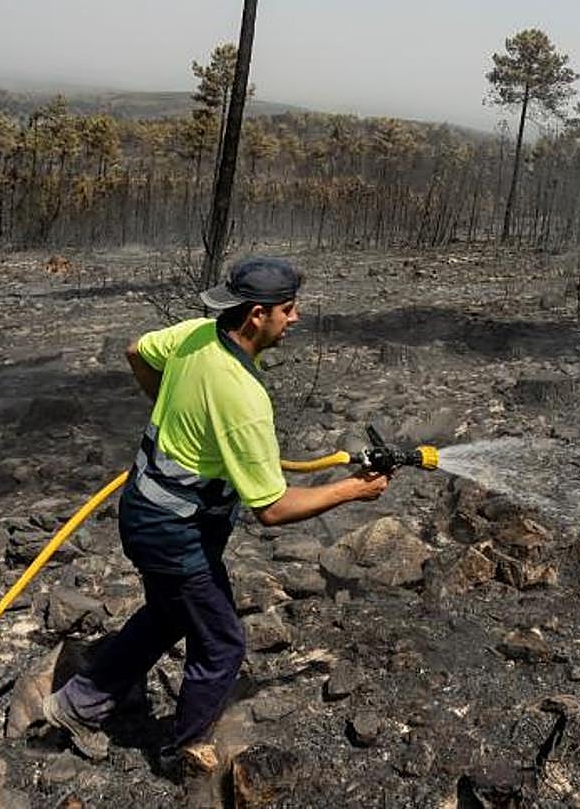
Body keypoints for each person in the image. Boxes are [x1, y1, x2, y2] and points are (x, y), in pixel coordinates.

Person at [44, 256, 390, 775]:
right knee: (223, 643)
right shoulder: (242, 397)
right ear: (256, 315)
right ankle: (183, 750)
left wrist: (167, 400)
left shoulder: (197, 334)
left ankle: (74, 705)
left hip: (142, 510)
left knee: (168, 615)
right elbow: (271, 509)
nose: (295, 319)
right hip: (172, 534)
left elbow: (135, 349)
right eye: (288, 310)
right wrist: (351, 492)